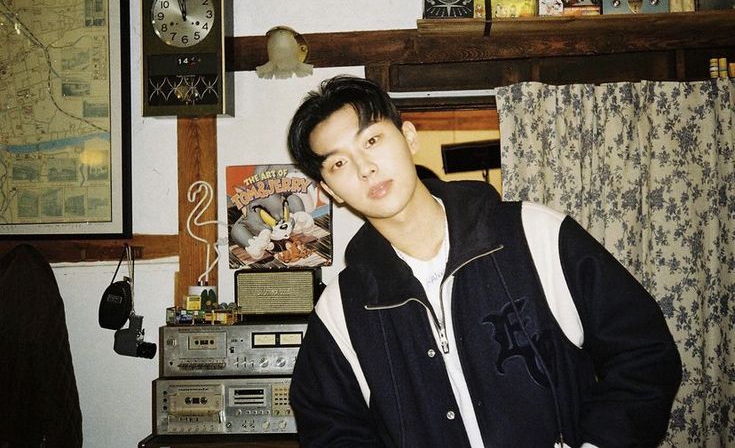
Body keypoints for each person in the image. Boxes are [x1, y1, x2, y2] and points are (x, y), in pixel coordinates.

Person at [286, 75, 682, 448]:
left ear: (408, 137)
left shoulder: (535, 234)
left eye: (372, 141)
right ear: (329, 190)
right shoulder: (342, 307)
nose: (364, 168)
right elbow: (329, 427)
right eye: (338, 163)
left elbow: (644, 354)